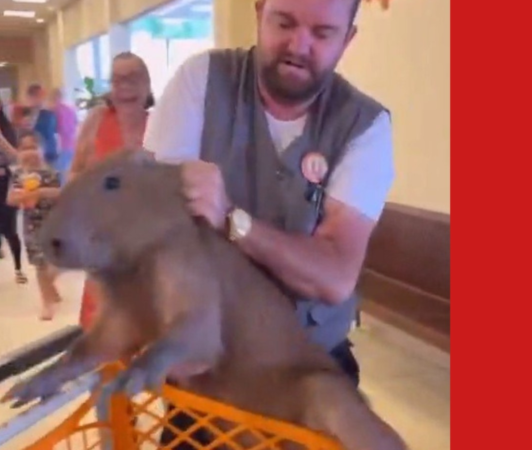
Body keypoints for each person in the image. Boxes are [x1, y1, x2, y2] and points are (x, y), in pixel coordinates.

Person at [142, 0, 394, 447]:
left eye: (322, 33)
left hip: (308, 366)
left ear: (347, 39)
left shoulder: (364, 126)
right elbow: (155, 227)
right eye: (284, 22)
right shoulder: (201, 81)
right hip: (206, 370)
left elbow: (335, 276)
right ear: (259, 12)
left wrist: (232, 221)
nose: (298, 45)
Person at [69, 51, 154, 329]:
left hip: (147, 248)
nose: (125, 86)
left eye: (133, 78)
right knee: (104, 326)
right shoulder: (96, 121)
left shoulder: (161, 125)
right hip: (103, 246)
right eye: (117, 80)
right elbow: (74, 176)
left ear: (147, 84)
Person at [6, 132, 63, 320]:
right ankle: (47, 303)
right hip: (32, 225)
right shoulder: (19, 175)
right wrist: (23, 196)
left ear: (42, 149)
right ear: (19, 152)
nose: (30, 152)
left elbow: (60, 194)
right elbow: (10, 199)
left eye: (33, 147)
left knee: (56, 263)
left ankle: (51, 286)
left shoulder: (51, 172)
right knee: (40, 265)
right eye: (25, 148)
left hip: (54, 223)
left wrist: (41, 192)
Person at [0, 87, 28, 285]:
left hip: (6, 181)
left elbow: (16, 158)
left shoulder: (6, 127)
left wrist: (0, 139)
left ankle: (18, 268)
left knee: (10, 228)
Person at [25, 84, 59, 168]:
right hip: (32, 155)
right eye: (40, 96)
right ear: (31, 97)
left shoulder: (48, 113)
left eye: (43, 96)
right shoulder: (25, 113)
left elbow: (52, 133)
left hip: (49, 154)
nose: (43, 99)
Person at [50, 88, 79, 182]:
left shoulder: (54, 110)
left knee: (59, 172)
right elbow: (76, 123)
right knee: (67, 171)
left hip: (61, 144)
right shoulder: (71, 109)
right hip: (71, 143)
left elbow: (55, 128)